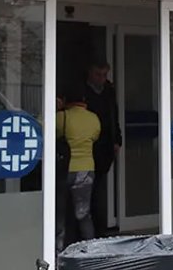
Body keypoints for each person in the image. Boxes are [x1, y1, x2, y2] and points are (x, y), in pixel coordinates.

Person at [57, 84, 101, 251]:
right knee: (83, 214)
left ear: (65, 100)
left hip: (64, 170)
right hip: (86, 170)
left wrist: (55, 108)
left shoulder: (62, 117)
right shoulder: (93, 119)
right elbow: (95, 137)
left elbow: (39, 126)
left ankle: (57, 253)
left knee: (59, 214)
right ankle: (91, 252)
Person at [83, 59, 122, 236]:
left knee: (99, 190)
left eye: (104, 75)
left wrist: (117, 140)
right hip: (85, 146)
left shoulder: (109, 91)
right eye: (98, 74)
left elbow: (114, 115)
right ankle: (86, 232)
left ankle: (99, 230)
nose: (101, 79)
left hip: (105, 146)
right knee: (86, 192)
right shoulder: (83, 92)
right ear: (90, 73)